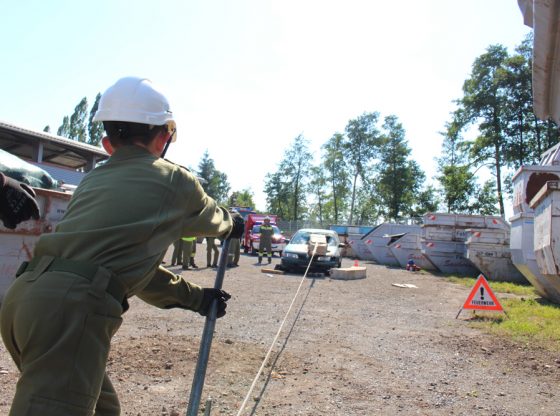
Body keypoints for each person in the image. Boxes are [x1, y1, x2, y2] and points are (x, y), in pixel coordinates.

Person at [0, 77, 244, 415]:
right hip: (70, 311)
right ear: (165, 136)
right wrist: (233, 224)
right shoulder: (174, 180)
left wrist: (197, 298)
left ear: (107, 142)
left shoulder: (93, 180)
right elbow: (213, 219)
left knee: (103, 409)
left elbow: (122, 270)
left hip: (25, 300)